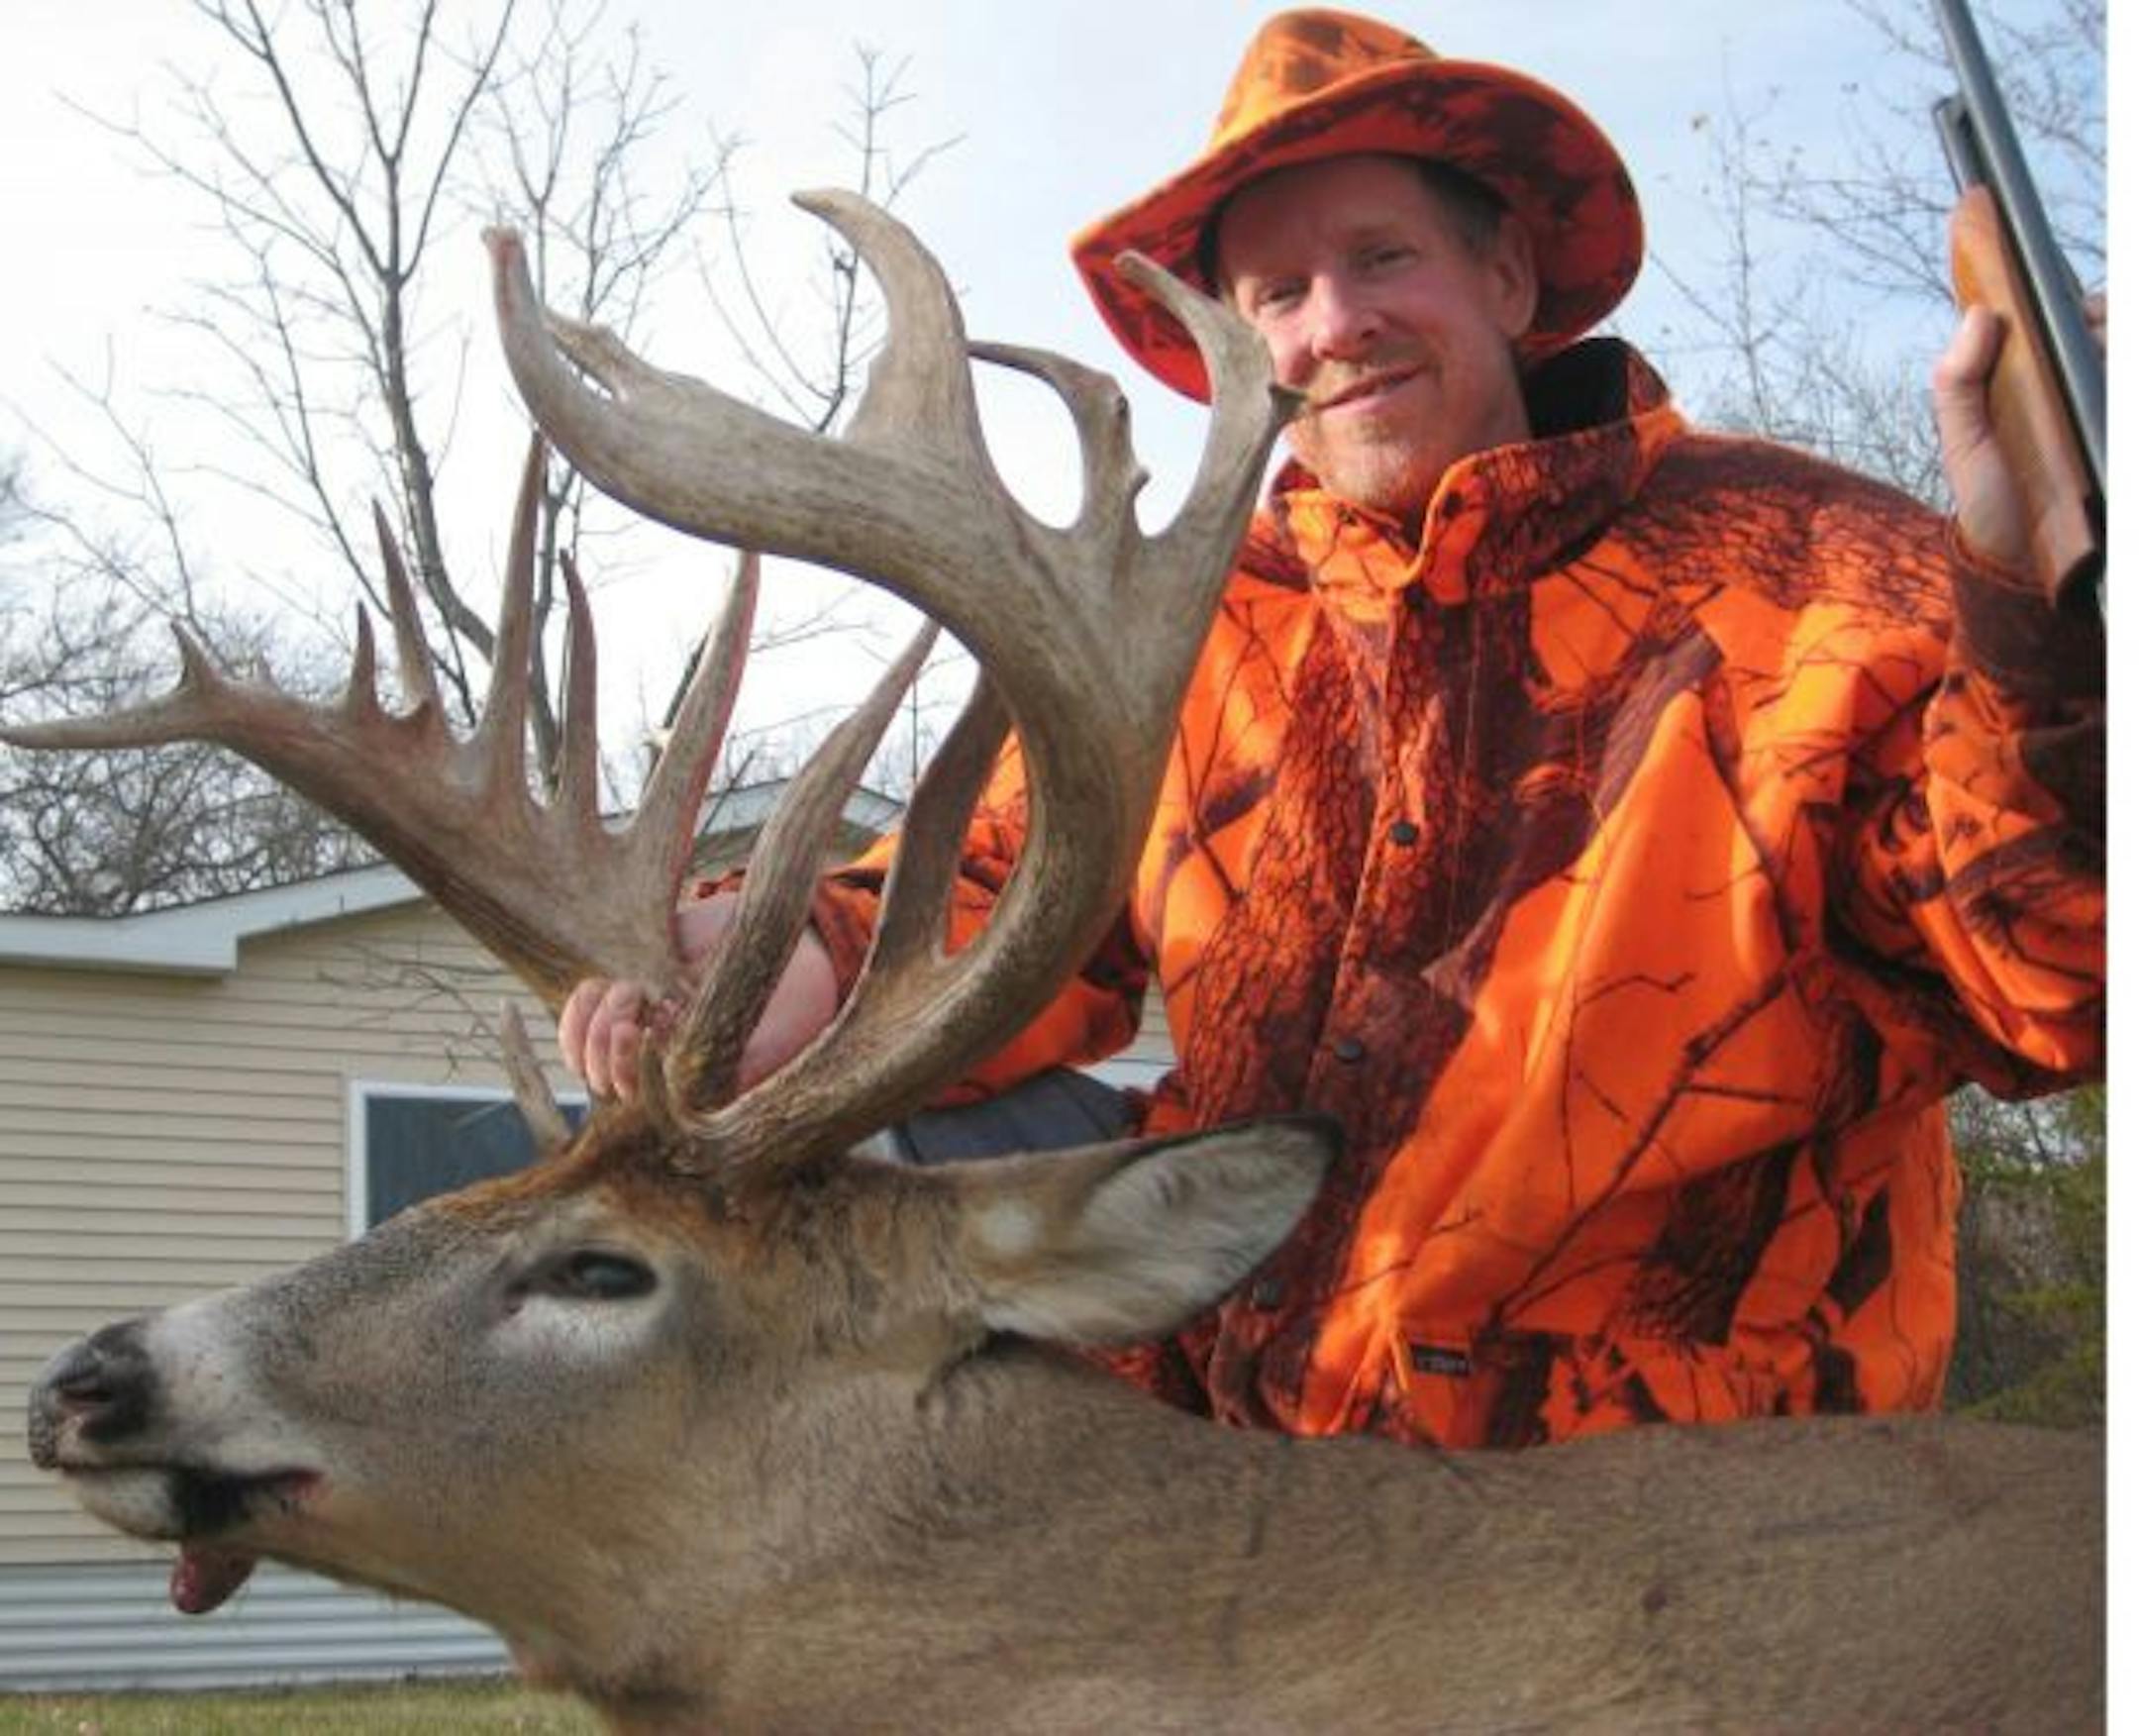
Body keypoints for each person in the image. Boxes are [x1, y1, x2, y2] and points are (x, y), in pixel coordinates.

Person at [562, 10, 2104, 1449]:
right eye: (1279, 296)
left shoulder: (1822, 571)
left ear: (1505, 278)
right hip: (1252, 1473)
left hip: (1676, 1492)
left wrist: (2052, 635)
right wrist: (788, 977)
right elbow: (996, 878)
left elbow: (2051, 970)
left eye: (1383, 258)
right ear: (1238, 348)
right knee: (815, 1172)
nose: (1337, 324)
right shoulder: (1194, 625)